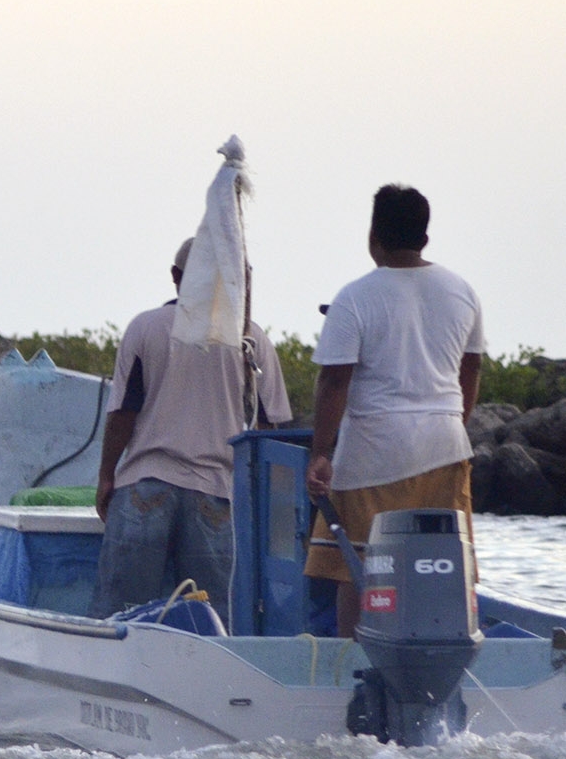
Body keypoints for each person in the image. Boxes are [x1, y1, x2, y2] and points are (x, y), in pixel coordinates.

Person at [305, 185, 485, 637]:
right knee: (445, 567)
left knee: (359, 571)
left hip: (374, 453)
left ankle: (355, 667)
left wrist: (320, 454)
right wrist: (453, 422)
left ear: (374, 235)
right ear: (424, 236)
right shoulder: (462, 291)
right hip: (446, 446)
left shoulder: (355, 297)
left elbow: (334, 383)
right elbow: (472, 367)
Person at [92, 238, 293, 626]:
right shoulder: (253, 340)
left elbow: (123, 415)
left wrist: (105, 477)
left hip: (144, 487)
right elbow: (270, 431)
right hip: (218, 495)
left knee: (120, 617)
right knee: (212, 622)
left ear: (176, 277)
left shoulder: (146, 327)